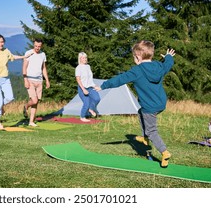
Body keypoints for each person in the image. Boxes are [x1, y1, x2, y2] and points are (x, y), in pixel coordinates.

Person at [96, 40, 175, 168]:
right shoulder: (158, 66)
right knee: (140, 112)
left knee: (152, 131)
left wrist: (104, 86)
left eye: (134, 56)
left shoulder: (137, 71)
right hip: (161, 103)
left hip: (150, 107)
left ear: (138, 56)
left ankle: (164, 152)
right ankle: (145, 138)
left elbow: (120, 79)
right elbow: (167, 65)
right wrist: (168, 57)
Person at [22, 38, 50, 127]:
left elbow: (43, 68)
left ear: (41, 46)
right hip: (30, 79)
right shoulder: (28, 53)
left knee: (36, 102)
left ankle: (31, 122)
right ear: (33, 45)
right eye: (36, 46)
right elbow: (24, 67)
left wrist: (47, 81)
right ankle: (26, 106)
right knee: (34, 100)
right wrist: (25, 79)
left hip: (39, 80)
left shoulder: (43, 54)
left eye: (39, 46)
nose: (37, 48)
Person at [75, 52, 101, 122]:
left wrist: (94, 85)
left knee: (97, 98)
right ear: (80, 59)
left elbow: (90, 78)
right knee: (86, 103)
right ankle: (82, 117)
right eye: (83, 58)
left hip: (90, 87)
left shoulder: (88, 66)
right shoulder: (78, 68)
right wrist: (83, 89)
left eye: (86, 57)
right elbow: (78, 79)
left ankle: (91, 109)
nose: (85, 59)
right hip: (82, 88)